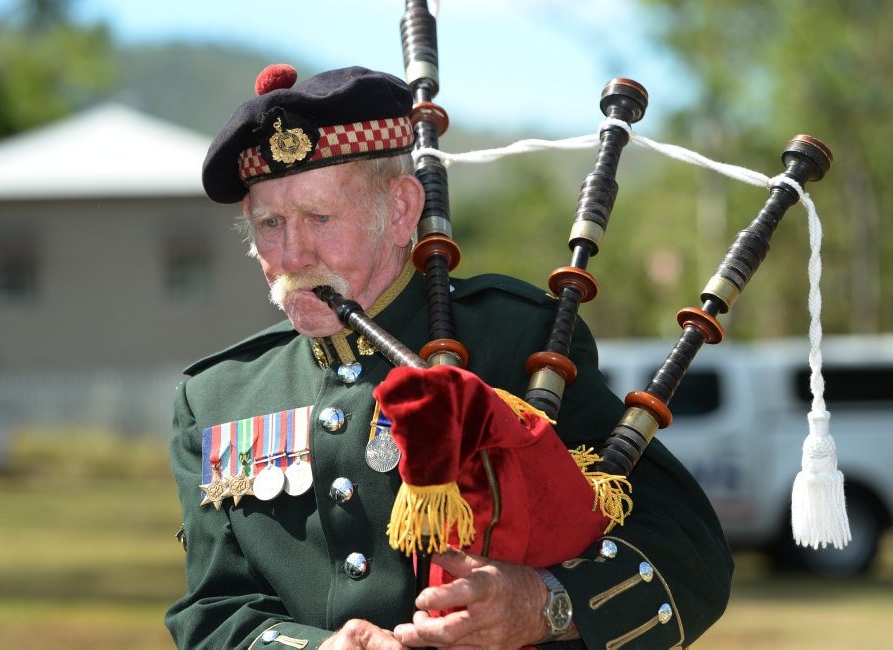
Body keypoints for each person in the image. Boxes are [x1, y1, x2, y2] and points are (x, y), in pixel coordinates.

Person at [166, 64, 733, 649]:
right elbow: (214, 610)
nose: (291, 254)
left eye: (320, 217)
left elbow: (687, 548)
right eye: (270, 223)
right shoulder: (215, 397)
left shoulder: (517, 341)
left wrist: (545, 603)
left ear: (403, 209)